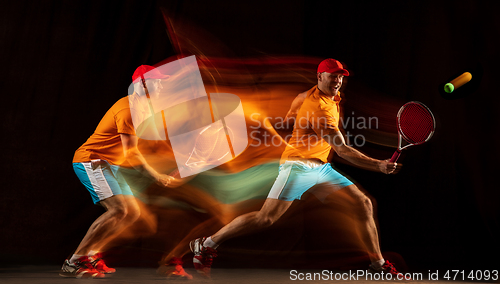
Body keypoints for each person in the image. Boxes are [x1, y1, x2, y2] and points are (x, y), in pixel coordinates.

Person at [189, 58, 408, 278]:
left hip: (321, 169)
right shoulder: (318, 108)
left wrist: (298, 130)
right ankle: (207, 243)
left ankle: (377, 264)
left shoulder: (311, 96)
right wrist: (378, 165)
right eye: (333, 76)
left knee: (363, 203)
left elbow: (290, 117)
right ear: (320, 76)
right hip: (298, 168)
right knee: (265, 218)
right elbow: (342, 150)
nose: (338, 80)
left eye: (341, 76)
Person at [60, 65, 178, 279]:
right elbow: (132, 154)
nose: (162, 85)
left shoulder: (144, 109)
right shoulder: (128, 110)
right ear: (142, 84)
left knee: (131, 213)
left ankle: (93, 255)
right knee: (118, 210)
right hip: (92, 161)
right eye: (157, 81)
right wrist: (157, 175)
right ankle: (74, 261)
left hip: (109, 164)